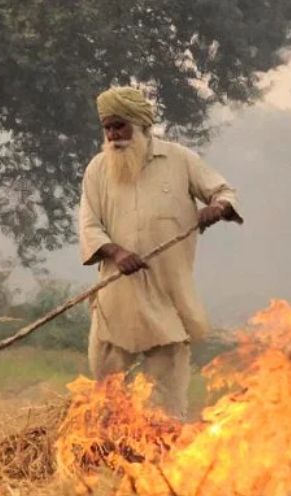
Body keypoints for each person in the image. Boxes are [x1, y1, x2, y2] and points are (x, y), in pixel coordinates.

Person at [78, 86, 241, 420]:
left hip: (168, 297)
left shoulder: (179, 159)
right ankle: (103, 448)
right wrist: (117, 252)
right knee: (106, 399)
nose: (113, 135)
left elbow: (223, 191)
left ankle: (167, 447)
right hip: (117, 299)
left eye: (120, 126)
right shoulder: (97, 169)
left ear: (141, 124)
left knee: (166, 407)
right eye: (108, 128)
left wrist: (218, 207)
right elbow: (89, 225)